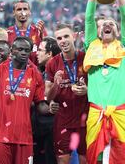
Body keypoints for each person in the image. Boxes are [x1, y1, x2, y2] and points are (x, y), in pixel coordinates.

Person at [84, 0, 125, 163]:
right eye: (104, 24)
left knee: (124, 159)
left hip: (121, 114)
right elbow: (89, 19)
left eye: (112, 24)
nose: (108, 24)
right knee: (96, 159)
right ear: (98, 32)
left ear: (117, 31)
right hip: (96, 114)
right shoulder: (91, 46)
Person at [0, 37, 47, 164]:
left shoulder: (35, 74)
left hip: (24, 138)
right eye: (20, 49)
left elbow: (40, 105)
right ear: (12, 51)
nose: (23, 53)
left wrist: (51, 108)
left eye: (27, 50)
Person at [45, 24, 88, 164]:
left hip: (85, 120)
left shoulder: (86, 59)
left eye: (66, 36)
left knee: (86, 160)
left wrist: (87, 90)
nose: (63, 40)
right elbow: (48, 97)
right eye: (59, 38)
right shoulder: (52, 63)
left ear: (74, 36)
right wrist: (56, 85)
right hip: (62, 121)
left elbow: (100, 88)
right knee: (63, 161)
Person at [34, 36, 60, 164]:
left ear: (49, 53)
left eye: (40, 50)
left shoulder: (59, 72)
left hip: (51, 127)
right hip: (40, 127)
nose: (36, 53)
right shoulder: (42, 71)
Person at [7, 0, 46, 65]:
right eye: (19, 9)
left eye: (25, 9)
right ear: (14, 13)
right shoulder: (8, 33)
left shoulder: (39, 31)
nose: (22, 12)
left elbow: (48, 52)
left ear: (29, 12)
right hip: (14, 73)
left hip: (35, 72)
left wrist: (42, 37)